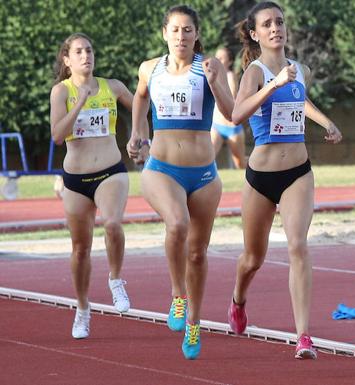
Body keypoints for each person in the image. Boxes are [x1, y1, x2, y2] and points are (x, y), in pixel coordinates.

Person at [226, 1, 342, 360]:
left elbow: (299, 101)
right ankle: (238, 300)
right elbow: (236, 114)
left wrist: (325, 122)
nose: (276, 28)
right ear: (255, 33)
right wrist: (273, 84)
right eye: (267, 24)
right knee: (253, 258)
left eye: (280, 21)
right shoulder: (255, 72)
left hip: (298, 172)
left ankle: (303, 335)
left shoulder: (299, 69)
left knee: (298, 246)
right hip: (261, 177)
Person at [128, 5, 233, 360]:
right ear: (164, 33)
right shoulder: (149, 68)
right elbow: (140, 97)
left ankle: (194, 321)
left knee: (198, 254)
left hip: (204, 175)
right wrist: (137, 133)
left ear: (197, 34)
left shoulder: (209, 67)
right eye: (175, 30)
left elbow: (232, 113)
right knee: (177, 224)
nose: (181, 37)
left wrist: (216, 81)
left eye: (188, 30)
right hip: (161, 169)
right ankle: (177, 294)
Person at [49, 32, 134, 339]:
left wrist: (141, 135)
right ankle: (83, 309)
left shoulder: (111, 87)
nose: (86, 56)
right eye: (79, 52)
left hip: (110, 171)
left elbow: (140, 102)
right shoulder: (62, 92)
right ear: (67, 59)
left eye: (89, 50)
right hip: (75, 180)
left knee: (112, 224)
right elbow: (58, 135)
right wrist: (80, 102)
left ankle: (115, 279)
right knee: (80, 249)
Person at [211, 46, 247, 169]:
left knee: (240, 163)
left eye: (222, 58)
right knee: (208, 158)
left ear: (229, 62)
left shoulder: (230, 76)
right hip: (217, 126)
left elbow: (230, 99)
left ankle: (257, 168)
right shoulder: (210, 76)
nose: (218, 60)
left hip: (232, 128)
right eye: (217, 57)